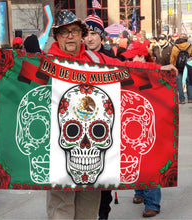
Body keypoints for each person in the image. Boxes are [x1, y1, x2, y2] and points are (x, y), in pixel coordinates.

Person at [46, 10, 177, 220]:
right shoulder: (44, 63)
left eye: (74, 31)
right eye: (64, 32)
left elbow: (127, 69)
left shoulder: (94, 59)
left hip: (95, 151)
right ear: (57, 37)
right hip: (61, 150)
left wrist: (158, 69)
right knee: (61, 208)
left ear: (81, 34)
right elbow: (16, 82)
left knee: (89, 209)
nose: (70, 36)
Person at [121, 41, 161, 218]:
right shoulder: (132, 71)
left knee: (150, 163)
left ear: (143, 56)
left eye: (134, 57)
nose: (130, 62)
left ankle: (152, 202)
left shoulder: (155, 72)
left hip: (151, 121)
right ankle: (139, 192)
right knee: (135, 157)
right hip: (131, 121)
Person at [84, 14, 114, 220]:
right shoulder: (74, 58)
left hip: (104, 127)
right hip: (80, 125)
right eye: (86, 34)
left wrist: (159, 70)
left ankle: (103, 215)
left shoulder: (112, 60)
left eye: (94, 33)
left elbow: (135, 72)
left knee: (104, 182)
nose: (89, 38)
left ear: (102, 36)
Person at [170, 33, 192, 104]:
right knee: (189, 82)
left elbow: (172, 58)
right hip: (188, 66)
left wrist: (172, 66)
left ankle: (182, 99)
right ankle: (190, 98)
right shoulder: (190, 46)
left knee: (179, 83)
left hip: (178, 67)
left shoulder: (175, 47)